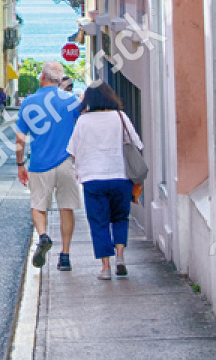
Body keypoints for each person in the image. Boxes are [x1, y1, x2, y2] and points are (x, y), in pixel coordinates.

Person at [67, 82, 144, 280]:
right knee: (120, 217)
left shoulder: (83, 121)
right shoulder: (120, 117)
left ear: (88, 99)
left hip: (93, 179)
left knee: (99, 222)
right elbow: (137, 144)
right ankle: (120, 257)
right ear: (110, 96)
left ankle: (105, 267)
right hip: (120, 177)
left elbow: (72, 151)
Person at [15, 60, 81, 270]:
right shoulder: (71, 101)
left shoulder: (29, 103)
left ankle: (43, 236)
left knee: (38, 206)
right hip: (66, 162)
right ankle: (65, 257)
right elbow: (82, 128)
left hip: (40, 163)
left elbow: (20, 138)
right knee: (66, 207)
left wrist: (20, 164)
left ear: (42, 77)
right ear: (61, 80)